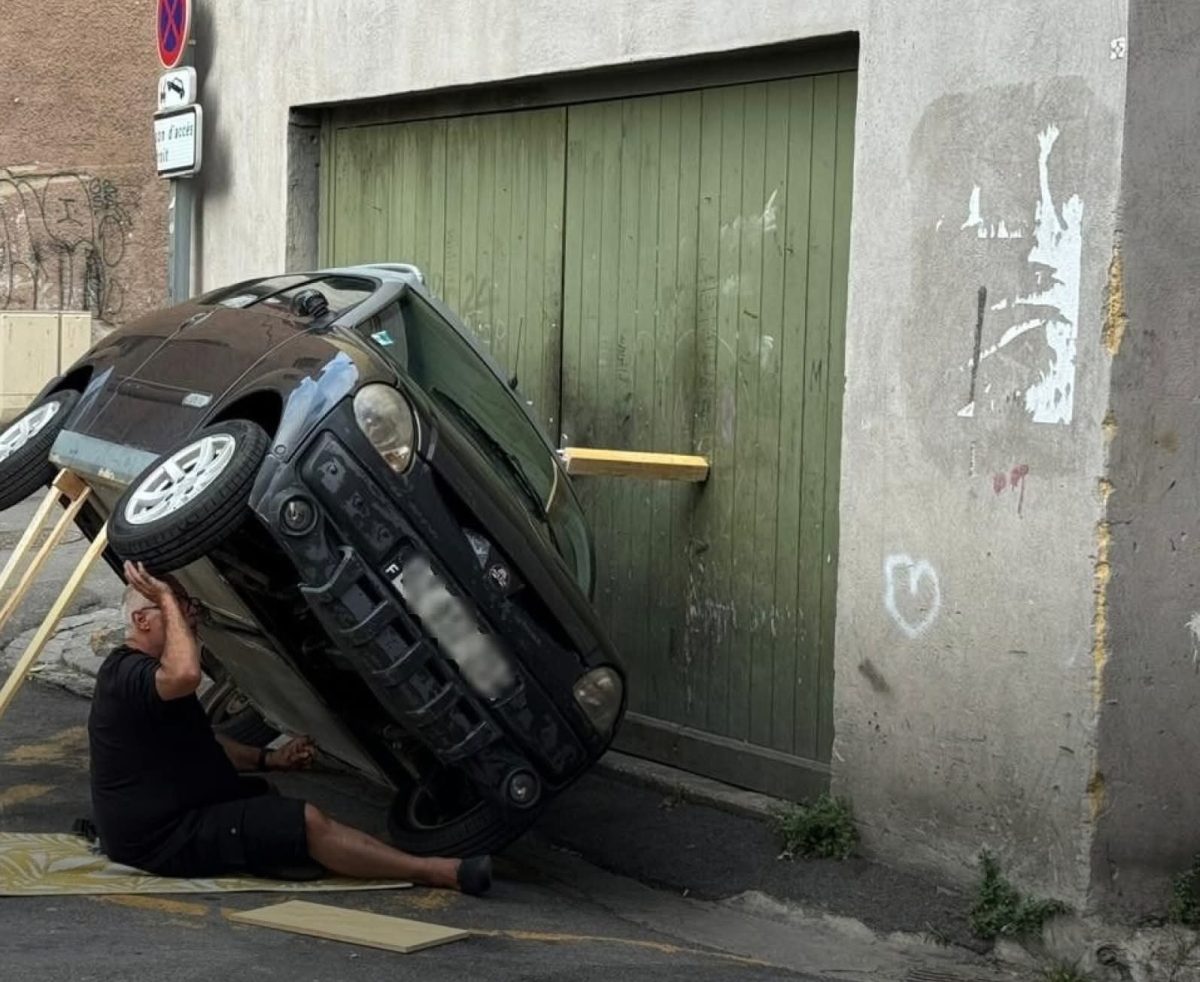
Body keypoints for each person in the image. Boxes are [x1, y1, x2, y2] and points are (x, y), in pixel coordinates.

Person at [87, 560, 492, 895]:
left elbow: (202, 743)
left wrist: (270, 758)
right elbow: (187, 674)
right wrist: (166, 600)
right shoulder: (124, 673)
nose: (189, 614)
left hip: (180, 816)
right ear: (142, 620)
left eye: (187, 605)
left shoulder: (149, 679)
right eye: (176, 608)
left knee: (266, 798)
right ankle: (435, 871)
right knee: (307, 821)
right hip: (159, 839)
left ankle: (281, 851)